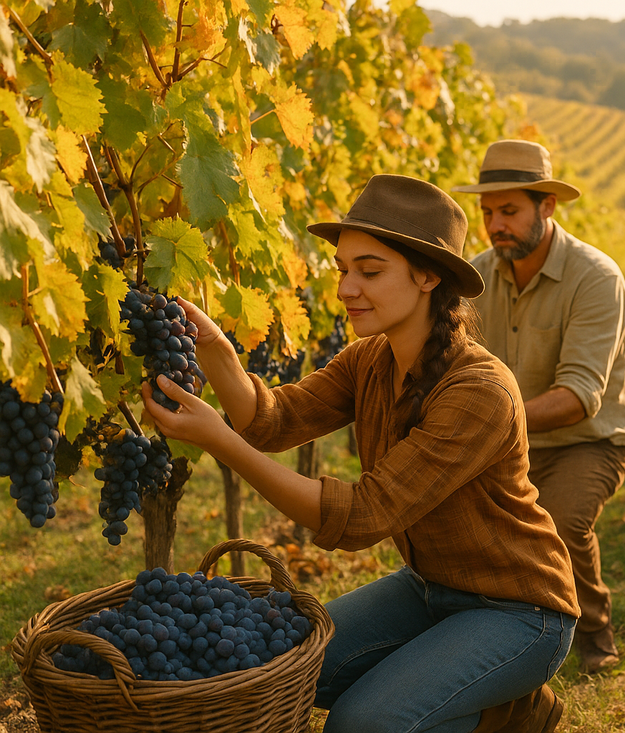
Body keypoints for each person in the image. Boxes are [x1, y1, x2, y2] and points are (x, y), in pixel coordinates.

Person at [142, 174, 579, 733]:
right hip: (427, 588)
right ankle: (489, 700)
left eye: (369, 272)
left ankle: (502, 711)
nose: (347, 288)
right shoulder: (370, 359)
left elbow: (360, 518)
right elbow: (274, 420)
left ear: (427, 276)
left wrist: (219, 441)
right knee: (285, 668)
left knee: (361, 723)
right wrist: (219, 355)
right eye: (344, 270)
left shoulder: (480, 393)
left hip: (520, 612)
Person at [453, 140, 625, 674]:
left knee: (557, 520)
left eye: (509, 211)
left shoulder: (596, 278)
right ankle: (506, 631)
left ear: (547, 207)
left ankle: (595, 630)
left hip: (591, 439)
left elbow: (581, 397)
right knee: (472, 523)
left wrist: (487, 420)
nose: (495, 225)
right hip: (509, 438)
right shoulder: (476, 279)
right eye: (488, 213)